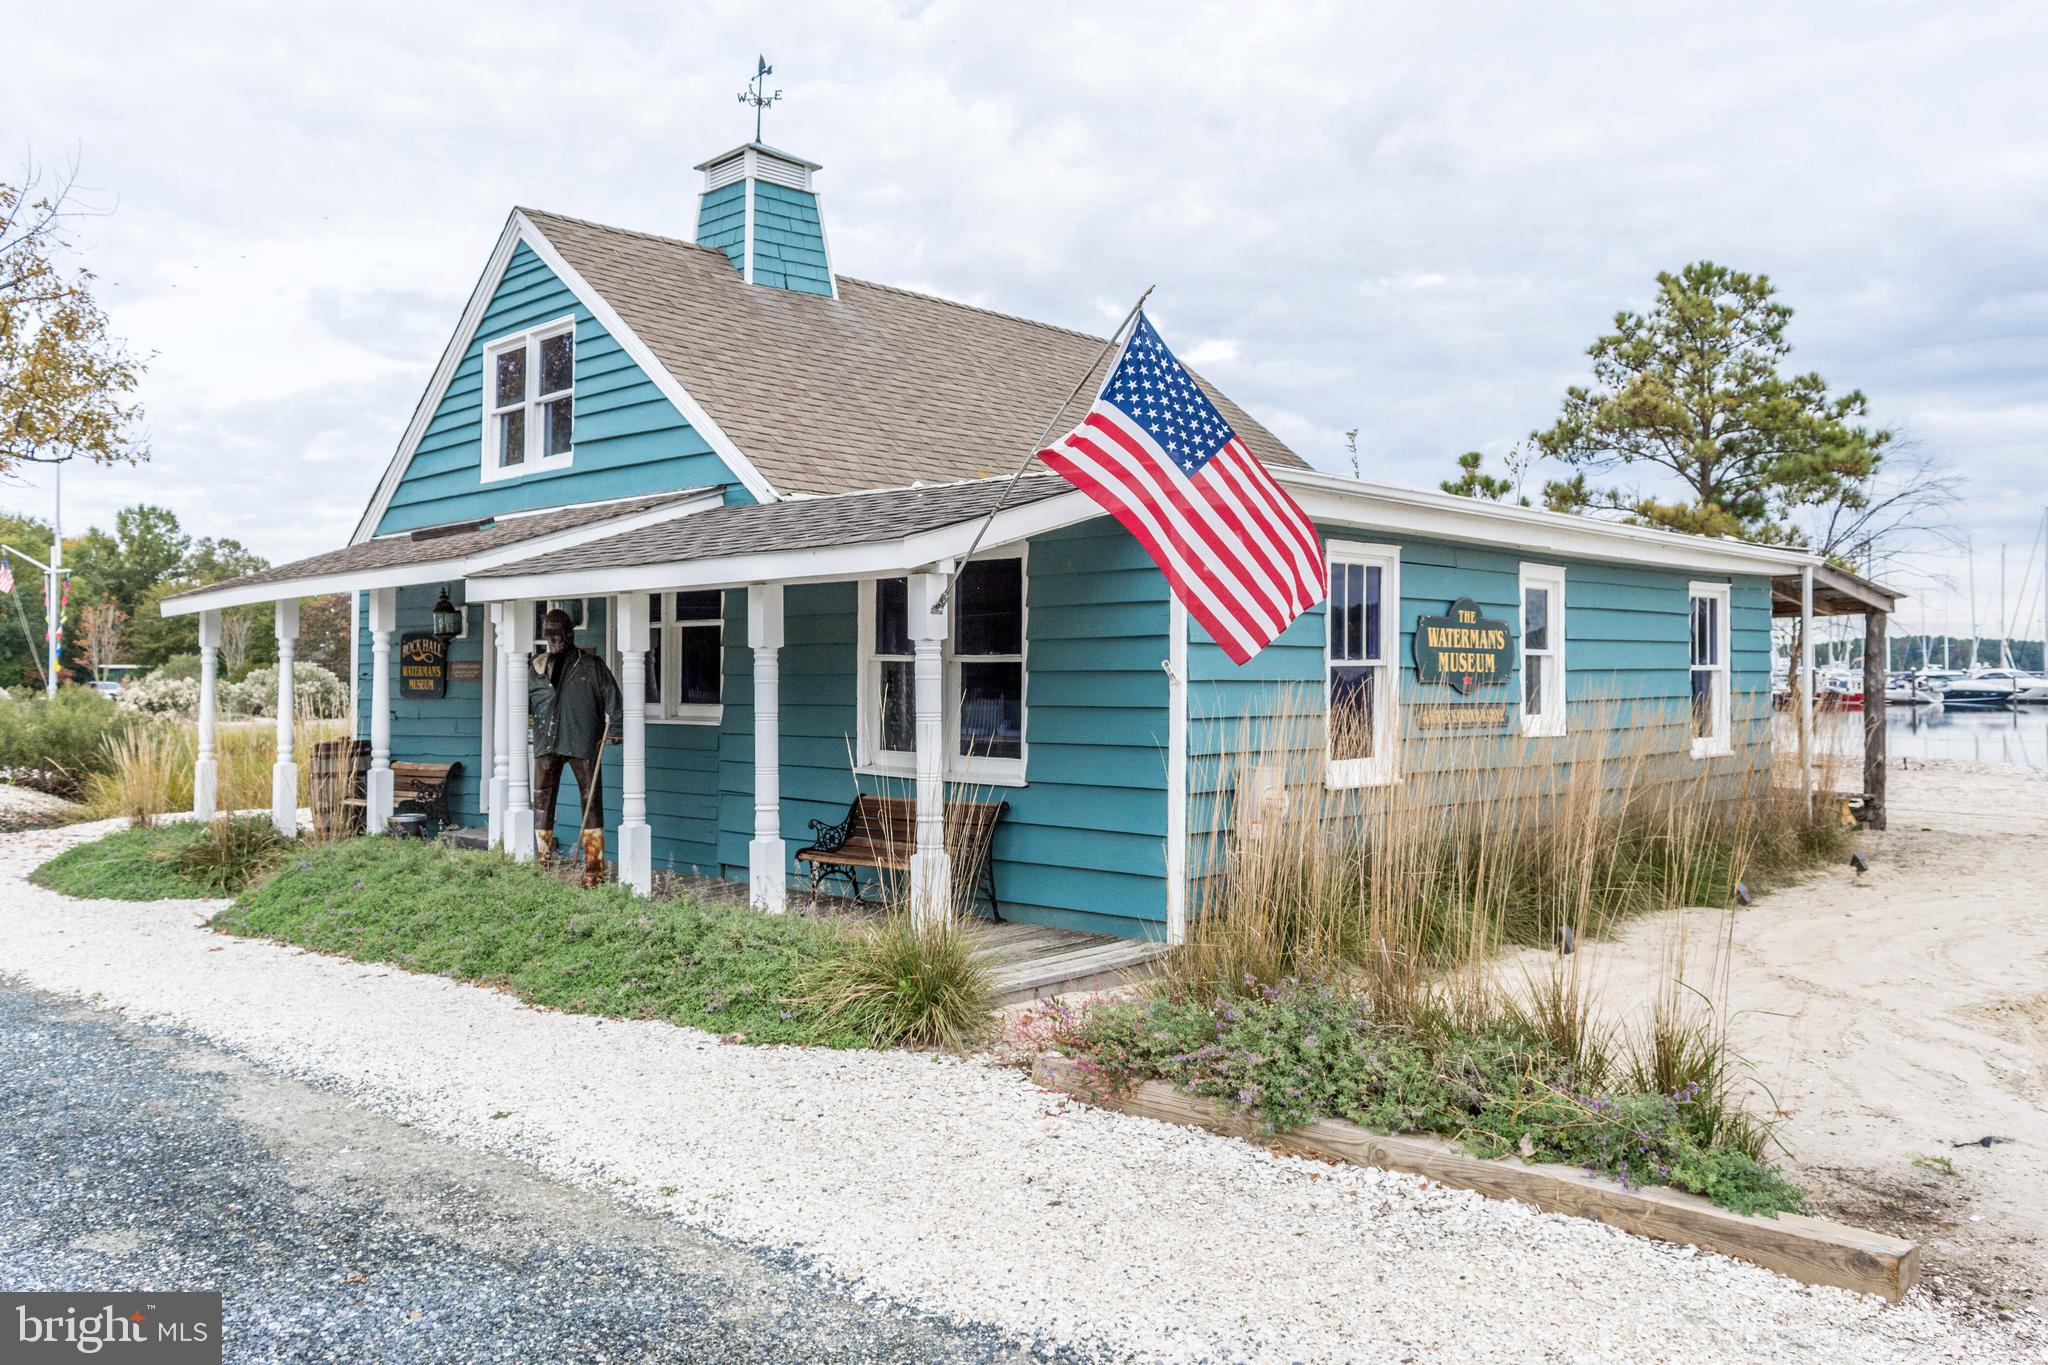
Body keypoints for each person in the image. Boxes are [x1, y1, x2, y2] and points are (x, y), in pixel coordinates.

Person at [527, 607, 622, 886]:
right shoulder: (535, 668)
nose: (554, 639)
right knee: (542, 801)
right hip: (546, 740)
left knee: (590, 800)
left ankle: (594, 867)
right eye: (549, 634)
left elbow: (615, 701)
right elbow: (524, 703)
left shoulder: (592, 665)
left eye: (558, 633)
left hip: (582, 739)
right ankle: (542, 862)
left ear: (569, 633)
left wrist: (615, 730)